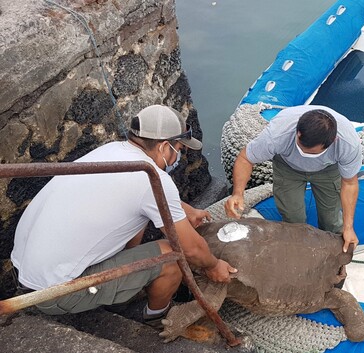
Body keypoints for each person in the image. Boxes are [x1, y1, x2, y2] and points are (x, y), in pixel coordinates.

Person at [11, 105, 237, 326]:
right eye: (180, 149)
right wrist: (213, 265)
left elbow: (139, 197)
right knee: (173, 256)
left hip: (24, 271)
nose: (180, 156)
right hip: (53, 294)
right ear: (164, 147)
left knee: (139, 218)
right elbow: (192, 249)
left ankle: (127, 290)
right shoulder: (152, 177)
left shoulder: (113, 151)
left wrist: (185, 210)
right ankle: (155, 318)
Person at [224, 105, 362, 253]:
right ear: (298, 132)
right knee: (292, 216)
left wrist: (348, 227)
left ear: (333, 141)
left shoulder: (347, 143)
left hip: (327, 169)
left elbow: (349, 182)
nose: (303, 152)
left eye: (311, 151)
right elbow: (246, 158)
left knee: (332, 218)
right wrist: (238, 193)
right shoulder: (277, 134)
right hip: (287, 167)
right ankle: (298, 250)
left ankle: (333, 251)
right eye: (301, 146)